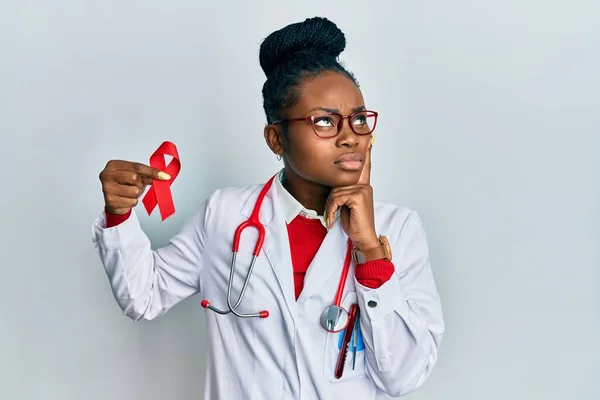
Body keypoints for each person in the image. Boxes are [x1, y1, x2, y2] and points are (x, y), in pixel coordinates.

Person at [93, 16, 444, 399]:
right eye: (324, 121)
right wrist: (119, 215)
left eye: (359, 119)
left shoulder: (399, 229)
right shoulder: (225, 216)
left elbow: (404, 377)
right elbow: (143, 297)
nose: (350, 137)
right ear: (276, 139)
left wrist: (371, 252)